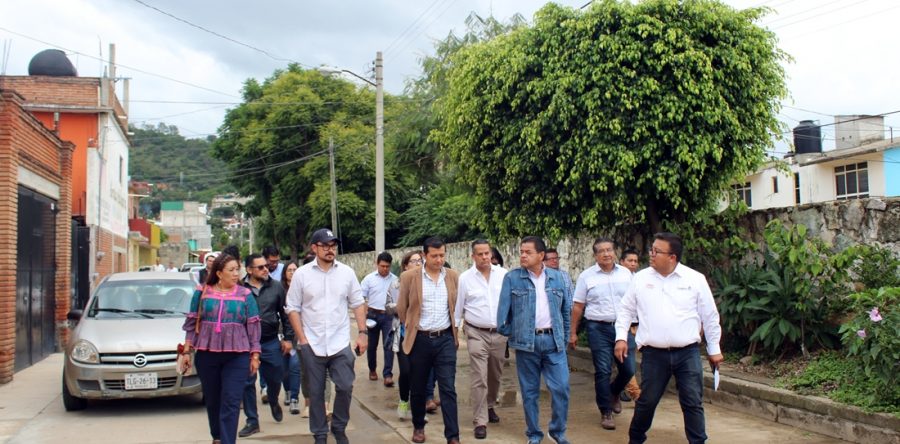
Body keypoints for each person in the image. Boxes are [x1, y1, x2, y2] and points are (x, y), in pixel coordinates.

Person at [614, 232, 724, 444]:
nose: (651, 254)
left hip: (687, 353)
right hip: (654, 354)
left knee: (692, 402)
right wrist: (620, 338)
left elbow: (710, 316)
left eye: (657, 251)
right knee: (647, 402)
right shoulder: (640, 279)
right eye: (651, 249)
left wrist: (714, 349)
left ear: (672, 257)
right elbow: (625, 310)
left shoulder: (695, 279)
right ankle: (635, 439)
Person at [286, 229, 367, 444]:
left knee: (345, 386)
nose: (330, 250)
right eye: (325, 246)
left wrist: (362, 333)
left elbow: (358, 303)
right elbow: (292, 308)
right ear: (314, 248)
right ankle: (320, 434)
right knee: (316, 392)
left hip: (340, 343)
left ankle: (339, 427)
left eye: (333, 246)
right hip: (312, 344)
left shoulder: (347, 273)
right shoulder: (302, 274)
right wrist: (302, 340)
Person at [497, 236, 572, 444]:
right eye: (521, 252)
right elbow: (502, 317)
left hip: (554, 342)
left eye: (528, 252)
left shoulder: (557, 278)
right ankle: (534, 434)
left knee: (561, 388)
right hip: (526, 345)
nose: (523, 255)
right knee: (530, 392)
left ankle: (557, 431)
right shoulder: (512, 278)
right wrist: (517, 333)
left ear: (541, 255)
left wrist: (564, 337)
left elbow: (565, 311)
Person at [179, 254, 261, 444]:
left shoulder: (245, 294)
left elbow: (253, 325)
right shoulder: (202, 292)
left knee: (231, 401)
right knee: (213, 400)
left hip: (237, 356)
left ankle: (227, 441)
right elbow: (192, 322)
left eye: (237, 269)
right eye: (231, 270)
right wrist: (187, 351)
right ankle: (217, 436)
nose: (236, 274)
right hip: (207, 354)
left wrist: (255, 354)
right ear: (218, 273)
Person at [397, 237, 461, 444]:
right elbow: (402, 308)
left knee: (448, 388)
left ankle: (453, 435)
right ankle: (418, 426)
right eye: (434, 256)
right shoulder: (409, 277)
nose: (439, 260)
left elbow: (456, 306)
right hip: (420, 339)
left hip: (445, 339)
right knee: (417, 386)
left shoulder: (452, 276)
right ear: (424, 255)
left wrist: (455, 331)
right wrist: (411, 327)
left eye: (442, 255)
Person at [570, 237, 634, 431]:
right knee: (603, 370)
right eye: (601, 251)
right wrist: (573, 332)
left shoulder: (626, 274)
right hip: (598, 328)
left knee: (628, 369)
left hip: (623, 328)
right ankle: (605, 411)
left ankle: (614, 392)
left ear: (614, 252)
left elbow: (635, 301)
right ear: (595, 255)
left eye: (609, 250)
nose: (606, 254)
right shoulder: (586, 277)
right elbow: (578, 306)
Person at [454, 239, 507, 440]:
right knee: (479, 377)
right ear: (473, 256)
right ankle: (480, 420)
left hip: (500, 333)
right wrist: (455, 333)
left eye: (487, 253)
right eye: (480, 254)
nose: (484, 257)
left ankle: (490, 405)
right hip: (476, 332)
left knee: (495, 374)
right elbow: (458, 308)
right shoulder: (465, 278)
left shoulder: (503, 275)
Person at [238, 254, 294, 437]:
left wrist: (288, 339)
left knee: (276, 376)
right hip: (245, 343)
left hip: (269, 341)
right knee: (247, 382)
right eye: (260, 267)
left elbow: (285, 314)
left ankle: (273, 399)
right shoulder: (239, 288)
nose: (265, 269)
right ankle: (252, 421)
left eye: (266, 266)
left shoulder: (276, 287)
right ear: (249, 270)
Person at [391, 250, 423, 419]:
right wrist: (402, 307)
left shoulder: (427, 282)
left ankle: (418, 408)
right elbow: (388, 306)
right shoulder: (396, 284)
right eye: (413, 261)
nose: (417, 264)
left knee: (420, 373)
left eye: (420, 261)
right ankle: (403, 400)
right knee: (405, 371)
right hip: (403, 334)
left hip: (422, 335)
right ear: (405, 265)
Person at [360, 252, 398, 386]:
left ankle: (387, 374)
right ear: (377, 264)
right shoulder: (369, 279)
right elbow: (361, 298)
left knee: (389, 345)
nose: (385, 269)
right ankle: (372, 370)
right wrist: (364, 315)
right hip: (373, 315)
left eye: (387, 266)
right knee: (372, 345)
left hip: (389, 316)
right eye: (382, 266)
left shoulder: (395, 280)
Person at [619, 247, 642, 403]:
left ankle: (625, 389)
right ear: (622, 262)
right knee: (627, 360)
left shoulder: (640, 279)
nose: (633, 263)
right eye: (630, 260)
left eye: (635, 261)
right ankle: (635, 393)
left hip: (639, 325)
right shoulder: (618, 279)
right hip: (624, 326)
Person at [281, 261, 302, 414]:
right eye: (290, 270)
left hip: (299, 334)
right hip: (282, 334)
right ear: (285, 273)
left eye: (295, 269)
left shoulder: (303, 288)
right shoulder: (279, 290)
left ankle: (294, 398)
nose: (293, 272)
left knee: (295, 366)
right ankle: (287, 391)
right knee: (284, 367)